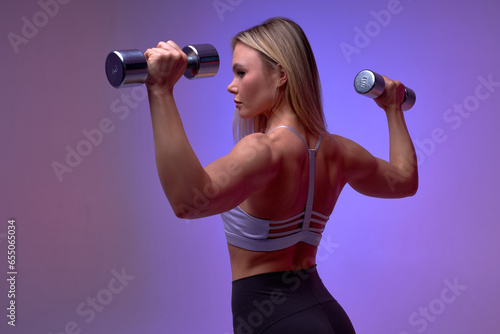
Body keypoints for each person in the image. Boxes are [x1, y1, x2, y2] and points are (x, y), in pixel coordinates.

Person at [144, 17, 418, 334]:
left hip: (277, 321)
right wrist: (393, 109)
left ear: (281, 75)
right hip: (329, 314)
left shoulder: (264, 151)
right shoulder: (341, 151)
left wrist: (161, 89)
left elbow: (188, 203)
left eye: (241, 72)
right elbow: (405, 179)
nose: (231, 85)